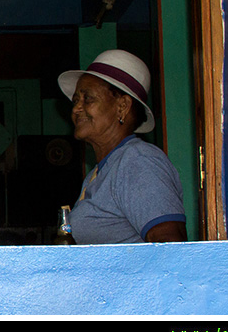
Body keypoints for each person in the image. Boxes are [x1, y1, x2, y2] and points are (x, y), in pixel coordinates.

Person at [58, 49, 187, 244]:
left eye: (88, 98)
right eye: (76, 100)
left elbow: (169, 246)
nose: (76, 108)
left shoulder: (138, 161)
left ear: (122, 106)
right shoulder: (101, 171)